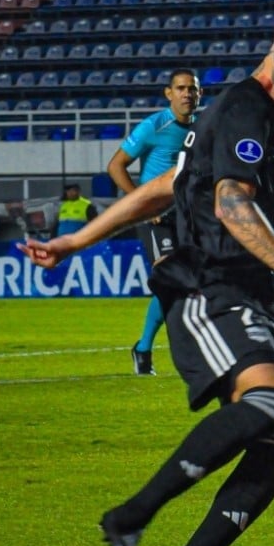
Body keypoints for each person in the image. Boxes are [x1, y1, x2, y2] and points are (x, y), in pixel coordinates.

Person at [20, 0, 274, 546]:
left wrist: (77, 239)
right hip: (211, 288)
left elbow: (164, 187)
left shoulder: (251, 121)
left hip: (256, 299)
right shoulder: (241, 109)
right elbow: (230, 203)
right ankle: (131, 515)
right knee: (267, 406)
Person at [106, 69, 201, 376]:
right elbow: (115, 165)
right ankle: (147, 348)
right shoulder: (155, 125)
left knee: (185, 283)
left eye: (193, 89)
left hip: (185, 216)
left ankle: (143, 348)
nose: (188, 94)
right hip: (155, 216)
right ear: (168, 93)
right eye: (181, 88)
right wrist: (141, 201)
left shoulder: (200, 129)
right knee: (171, 280)